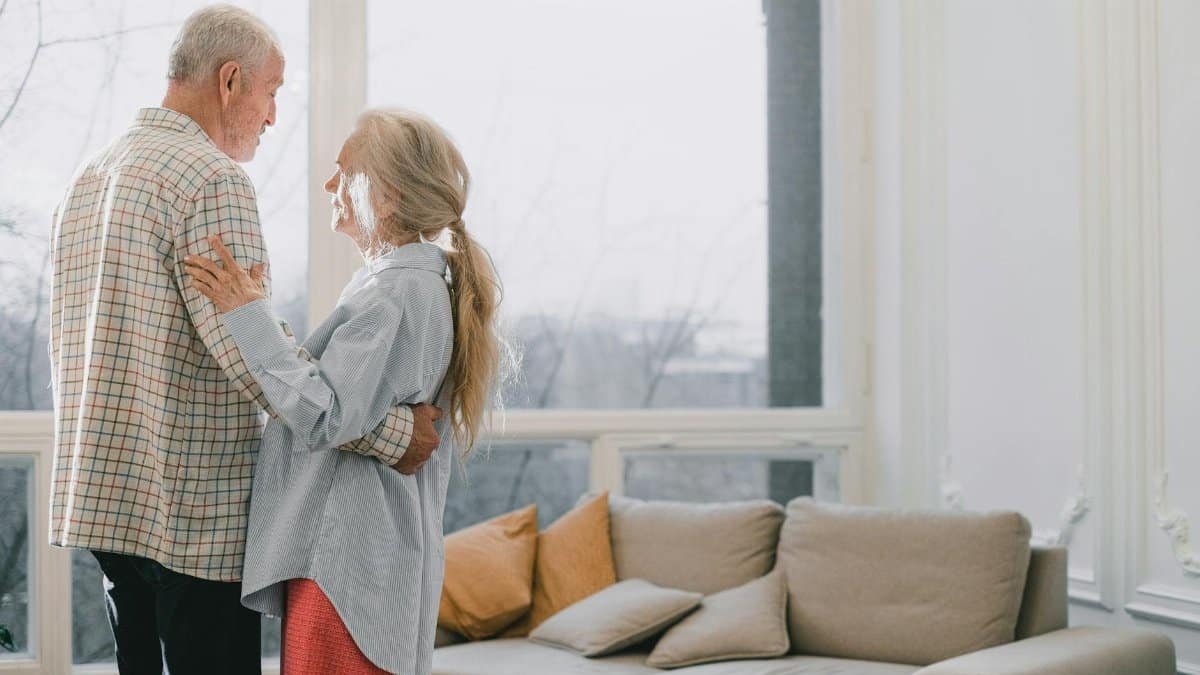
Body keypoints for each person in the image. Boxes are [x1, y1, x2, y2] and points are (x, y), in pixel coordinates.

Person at [47, 7, 440, 674]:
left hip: (106, 507)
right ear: (231, 81)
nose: (272, 116)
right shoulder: (211, 179)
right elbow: (250, 353)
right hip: (191, 517)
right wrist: (393, 435)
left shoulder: (88, 178)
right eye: (272, 91)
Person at [185, 108, 502, 675]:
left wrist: (247, 316)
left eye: (345, 171)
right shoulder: (407, 286)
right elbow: (347, 399)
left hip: (344, 565)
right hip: (357, 566)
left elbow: (326, 413)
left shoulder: (396, 292)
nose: (330, 185)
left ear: (386, 197)